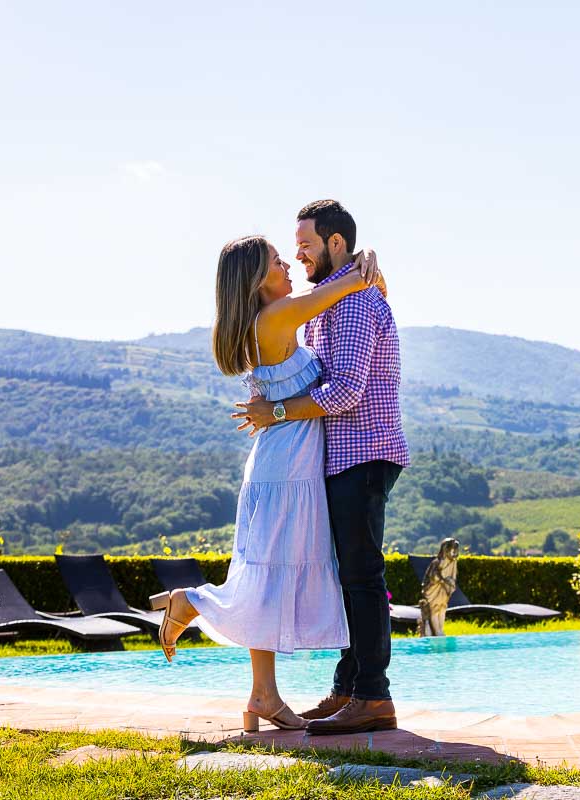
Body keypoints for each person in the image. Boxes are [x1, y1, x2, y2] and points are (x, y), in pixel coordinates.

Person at [152, 234, 383, 733]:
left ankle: (263, 695)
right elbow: (341, 287)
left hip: (285, 464)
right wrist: (365, 262)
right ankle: (191, 602)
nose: (288, 264)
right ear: (258, 281)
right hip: (287, 470)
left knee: (270, 576)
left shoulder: (270, 322)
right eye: (279, 261)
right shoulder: (275, 318)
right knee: (269, 574)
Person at [235, 199, 410, 736]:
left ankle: (372, 696)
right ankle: (348, 686)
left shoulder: (354, 304)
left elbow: (346, 392)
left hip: (364, 448)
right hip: (338, 457)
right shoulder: (329, 303)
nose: (298, 255)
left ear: (337, 244)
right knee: (349, 575)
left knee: (361, 575)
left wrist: (277, 411)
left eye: (306, 245)